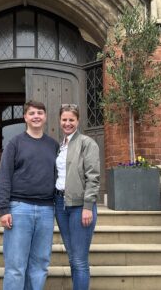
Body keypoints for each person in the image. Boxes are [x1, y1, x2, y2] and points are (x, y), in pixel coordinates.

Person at [0, 100, 59, 290]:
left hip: (47, 210)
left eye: (40, 113)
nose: (36, 116)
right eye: (32, 113)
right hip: (19, 209)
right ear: (25, 117)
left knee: (40, 264)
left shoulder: (53, 145)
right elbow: (4, 176)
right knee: (16, 265)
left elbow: (59, 177)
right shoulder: (15, 143)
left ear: (45, 117)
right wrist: (4, 209)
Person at [54, 104, 100, 290]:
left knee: (80, 260)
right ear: (60, 121)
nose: (67, 123)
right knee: (72, 257)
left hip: (80, 206)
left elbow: (93, 176)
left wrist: (88, 207)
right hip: (60, 204)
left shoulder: (87, 143)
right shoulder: (61, 145)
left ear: (78, 121)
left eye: (71, 120)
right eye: (64, 119)